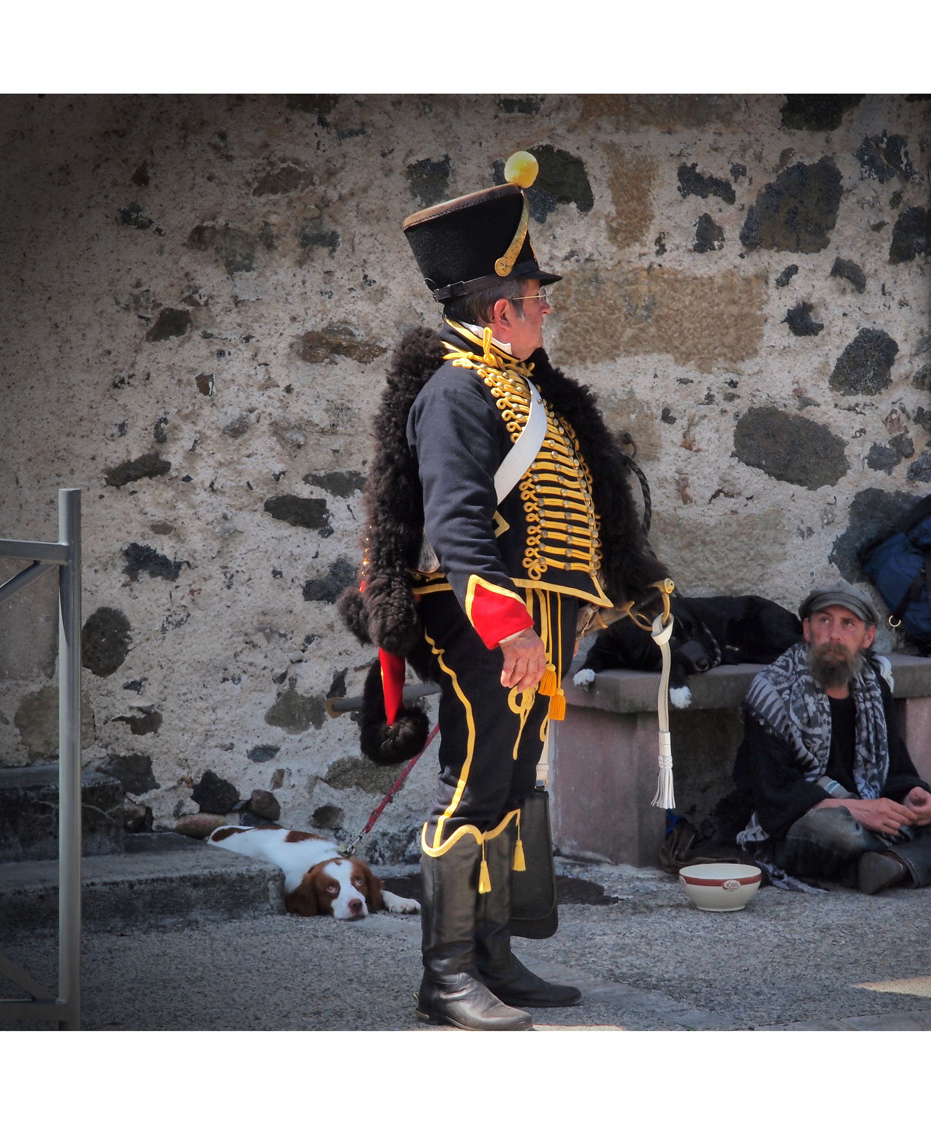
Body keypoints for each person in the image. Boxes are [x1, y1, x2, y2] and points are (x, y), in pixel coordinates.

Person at [342, 152, 667, 1030]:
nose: (547, 307)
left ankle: (490, 954)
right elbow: (456, 521)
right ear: (500, 310)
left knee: (508, 783)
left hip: (532, 623)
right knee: (478, 788)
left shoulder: (516, 389)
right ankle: (444, 979)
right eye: (537, 294)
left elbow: (557, 521)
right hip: (485, 620)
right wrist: (508, 627)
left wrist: (630, 591)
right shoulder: (457, 390)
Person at [733, 579, 931, 894]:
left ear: (867, 637)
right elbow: (771, 794)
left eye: (848, 624)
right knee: (839, 830)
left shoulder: (872, 687)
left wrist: (915, 798)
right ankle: (912, 859)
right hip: (805, 826)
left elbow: (896, 773)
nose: (834, 635)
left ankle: (892, 863)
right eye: (824, 621)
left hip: (874, 817)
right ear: (808, 630)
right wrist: (859, 811)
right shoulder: (771, 691)